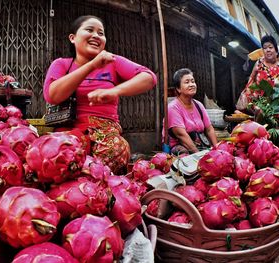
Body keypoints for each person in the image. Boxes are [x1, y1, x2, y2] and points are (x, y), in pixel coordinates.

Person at [43, 15, 157, 174]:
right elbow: (52, 95)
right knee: (57, 158)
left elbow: (149, 77)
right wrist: (91, 65)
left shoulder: (113, 61)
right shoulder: (61, 64)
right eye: (89, 30)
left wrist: (115, 91)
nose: (96, 35)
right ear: (73, 38)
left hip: (106, 135)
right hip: (69, 134)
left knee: (116, 151)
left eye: (101, 33)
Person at [165, 68, 217, 155]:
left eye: (193, 81)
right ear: (178, 89)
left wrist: (217, 149)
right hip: (181, 148)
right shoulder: (172, 108)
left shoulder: (198, 105)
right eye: (187, 82)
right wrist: (199, 155)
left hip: (200, 145)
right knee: (183, 153)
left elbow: (209, 129)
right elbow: (181, 135)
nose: (192, 84)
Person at [236, 35, 279, 112]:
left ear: (276, 50)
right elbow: (250, 82)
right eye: (265, 48)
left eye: (270, 47)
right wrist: (247, 99)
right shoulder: (259, 63)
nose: (268, 50)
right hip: (260, 106)